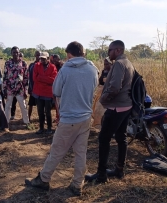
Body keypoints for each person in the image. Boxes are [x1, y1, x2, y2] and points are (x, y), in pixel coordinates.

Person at [25, 41, 98, 196]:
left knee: (57, 151)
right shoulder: (93, 69)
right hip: (86, 118)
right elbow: (94, 88)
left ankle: (43, 179)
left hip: (69, 118)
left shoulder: (65, 70)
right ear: (83, 53)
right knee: (81, 153)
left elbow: (56, 90)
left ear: (68, 54)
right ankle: (77, 184)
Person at [85, 40, 134, 183]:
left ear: (118, 50)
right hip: (125, 106)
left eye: (110, 50)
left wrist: (103, 99)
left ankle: (101, 175)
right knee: (121, 137)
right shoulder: (127, 62)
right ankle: (119, 170)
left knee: (104, 139)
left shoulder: (119, 64)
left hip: (116, 107)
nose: (108, 53)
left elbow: (115, 87)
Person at [3, 46, 30, 128]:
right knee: (8, 106)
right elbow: (5, 76)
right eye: (14, 52)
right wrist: (4, 89)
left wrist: (25, 90)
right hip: (9, 88)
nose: (15, 54)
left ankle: (26, 122)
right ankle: (6, 123)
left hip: (20, 89)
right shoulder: (7, 63)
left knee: (23, 106)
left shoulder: (24, 63)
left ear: (19, 53)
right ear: (11, 53)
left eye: (17, 52)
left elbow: (26, 78)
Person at [32, 51, 57, 134]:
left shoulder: (53, 67)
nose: (42, 60)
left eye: (44, 59)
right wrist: (46, 79)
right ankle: (41, 128)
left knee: (48, 111)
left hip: (48, 93)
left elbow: (53, 80)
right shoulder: (36, 66)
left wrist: (41, 78)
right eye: (41, 58)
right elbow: (35, 78)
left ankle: (49, 128)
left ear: (48, 59)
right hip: (38, 92)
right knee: (40, 111)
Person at [92, 57, 112, 129]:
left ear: (111, 64)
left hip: (109, 95)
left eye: (107, 64)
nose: (105, 66)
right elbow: (100, 82)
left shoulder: (115, 73)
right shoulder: (104, 72)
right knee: (98, 110)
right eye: (104, 64)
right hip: (101, 93)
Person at [27, 51, 41, 122]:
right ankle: (28, 118)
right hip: (33, 88)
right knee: (31, 104)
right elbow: (29, 77)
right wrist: (30, 88)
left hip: (40, 89)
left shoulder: (43, 65)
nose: (38, 56)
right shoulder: (32, 65)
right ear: (35, 55)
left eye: (39, 55)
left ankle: (41, 118)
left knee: (40, 105)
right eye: (37, 55)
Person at [51, 54, 64, 123]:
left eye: (57, 59)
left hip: (61, 89)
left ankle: (59, 117)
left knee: (60, 104)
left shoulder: (63, 67)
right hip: (53, 87)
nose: (55, 61)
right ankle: (57, 117)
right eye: (54, 59)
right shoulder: (52, 66)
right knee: (56, 104)